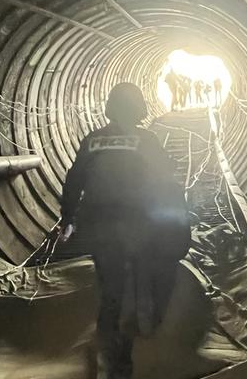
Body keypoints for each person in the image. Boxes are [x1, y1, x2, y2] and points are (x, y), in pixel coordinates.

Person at [57, 83, 189, 379]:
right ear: (139, 110)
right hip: (138, 224)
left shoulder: (92, 140)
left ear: (110, 109)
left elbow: (74, 180)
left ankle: (108, 347)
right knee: (146, 273)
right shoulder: (147, 140)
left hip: (98, 225)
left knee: (110, 282)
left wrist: (68, 217)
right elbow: (166, 183)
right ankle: (142, 336)